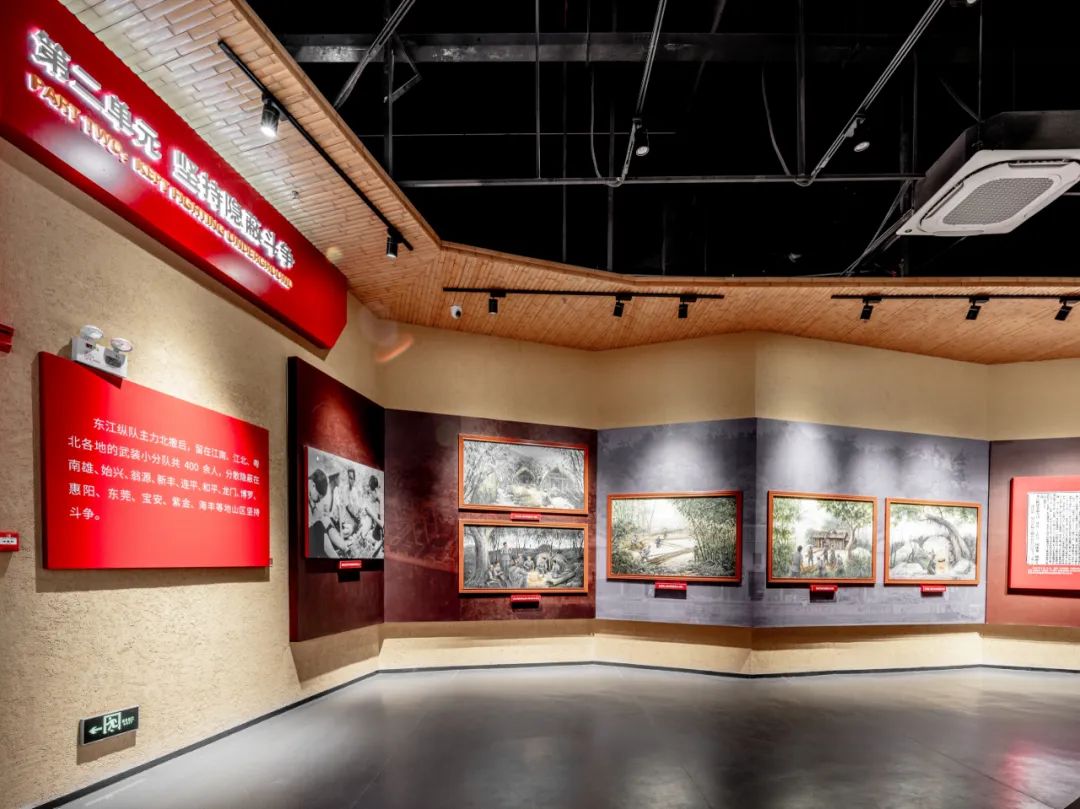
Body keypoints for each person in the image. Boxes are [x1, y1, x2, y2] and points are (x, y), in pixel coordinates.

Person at [308, 468, 346, 558]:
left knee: (323, 520)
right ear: (313, 485)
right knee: (320, 525)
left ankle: (343, 547)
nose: (318, 501)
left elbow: (319, 515)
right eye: (318, 498)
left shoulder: (310, 493)